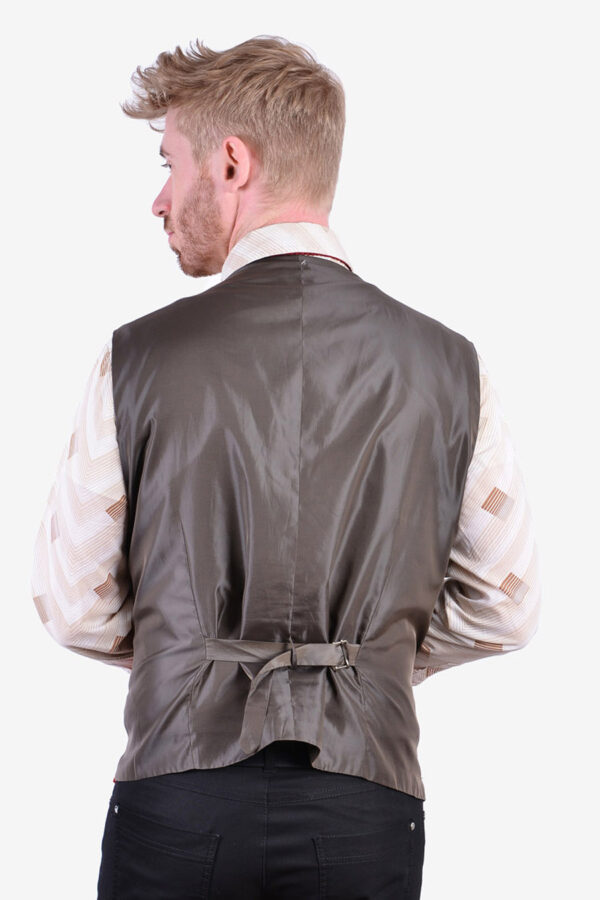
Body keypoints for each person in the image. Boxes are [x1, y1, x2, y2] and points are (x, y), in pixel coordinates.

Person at [31, 35, 541, 900]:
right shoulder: (454, 367)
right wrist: (372, 659)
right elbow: (506, 606)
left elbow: (72, 603)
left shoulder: (138, 358)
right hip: (365, 804)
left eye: (170, 162)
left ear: (232, 163)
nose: (159, 200)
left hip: (179, 800)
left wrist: (187, 654)